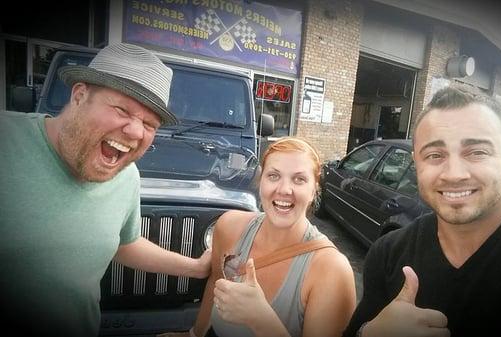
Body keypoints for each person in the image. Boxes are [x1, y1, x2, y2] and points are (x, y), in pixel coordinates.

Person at [344, 86, 501, 337]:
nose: (454, 174)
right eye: (434, 155)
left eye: (477, 152)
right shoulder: (388, 254)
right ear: (416, 162)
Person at [0, 43, 212, 337]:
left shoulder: (126, 175)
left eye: (150, 124)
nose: (136, 132)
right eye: (121, 109)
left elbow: (122, 244)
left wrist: (196, 268)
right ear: (79, 95)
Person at [161, 137, 357, 337]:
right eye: (273, 176)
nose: (283, 190)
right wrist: (194, 334)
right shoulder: (230, 227)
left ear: (314, 191)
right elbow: (215, 284)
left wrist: (261, 320)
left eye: (299, 179)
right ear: (261, 181)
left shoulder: (332, 270)